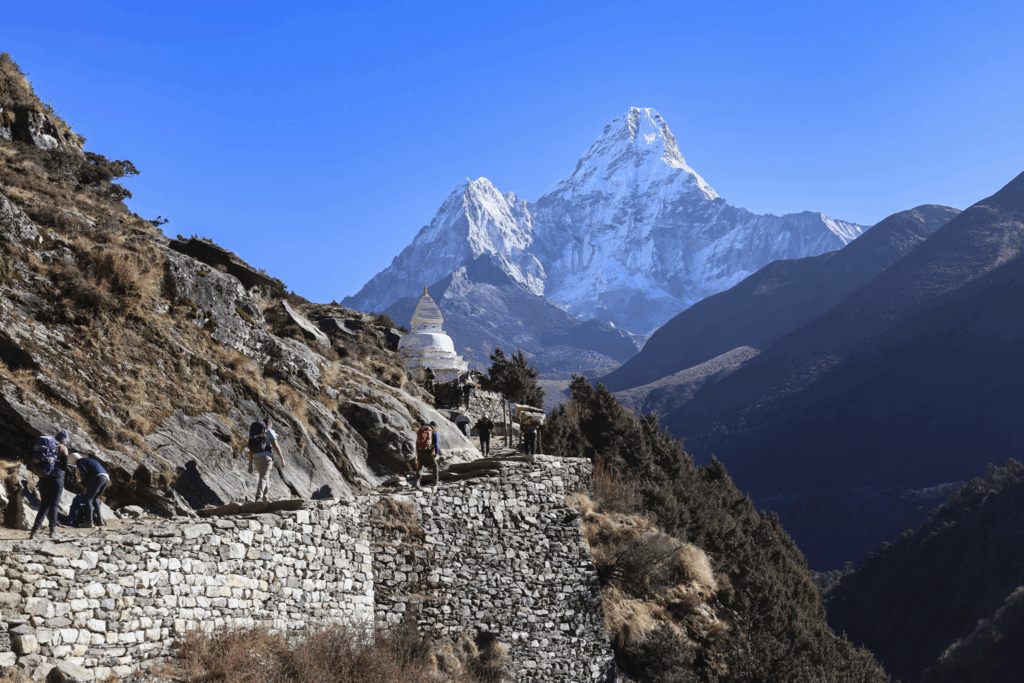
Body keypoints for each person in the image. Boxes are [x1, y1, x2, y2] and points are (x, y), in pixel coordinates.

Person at [29, 430, 70, 539]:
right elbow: (65, 467)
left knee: (44, 505)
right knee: (54, 504)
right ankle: (53, 531)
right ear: (64, 440)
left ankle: (34, 532)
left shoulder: (44, 446)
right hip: (56, 478)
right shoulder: (62, 447)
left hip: (43, 477)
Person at [248, 416, 286, 502]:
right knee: (264, 478)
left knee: (265, 477)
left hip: (256, 458)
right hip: (266, 458)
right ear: (269, 423)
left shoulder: (255, 434)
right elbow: (276, 446)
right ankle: (259, 497)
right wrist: (282, 458)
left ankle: (265, 498)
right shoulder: (270, 431)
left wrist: (250, 464)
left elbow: (251, 449)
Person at [69, 454, 110, 528]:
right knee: (94, 498)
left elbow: (85, 472)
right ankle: (100, 520)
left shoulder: (79, 461)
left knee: (88, 499)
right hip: (106, 478)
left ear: (73, 459)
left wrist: (89, 483)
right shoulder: (87, 460)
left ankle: (89, 522)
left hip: (98, 477)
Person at [412, 421, 440, 489]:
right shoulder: (434, 432)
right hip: (429, 451)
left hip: (421, 451)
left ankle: (417, 482)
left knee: (420, 467)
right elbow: (436, 443)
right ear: (435, 427)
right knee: (434, 465)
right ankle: (435, 481)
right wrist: (437, 453)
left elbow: (417, 441)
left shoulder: (422, 430)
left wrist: (417, 451)